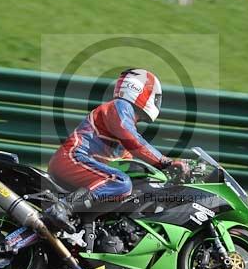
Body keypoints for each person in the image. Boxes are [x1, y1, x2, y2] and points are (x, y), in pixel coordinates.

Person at [45, 68, 188, 232]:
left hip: (81, 165)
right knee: (120, 182)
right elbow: (132, 139)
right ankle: (63, 207)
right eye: (154, 96)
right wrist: (165, 162)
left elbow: (127, 161)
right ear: (138, 89)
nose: (156, 101)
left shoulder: (124, 118)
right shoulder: (120, 106)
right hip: (73, 158)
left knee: (132, 185)